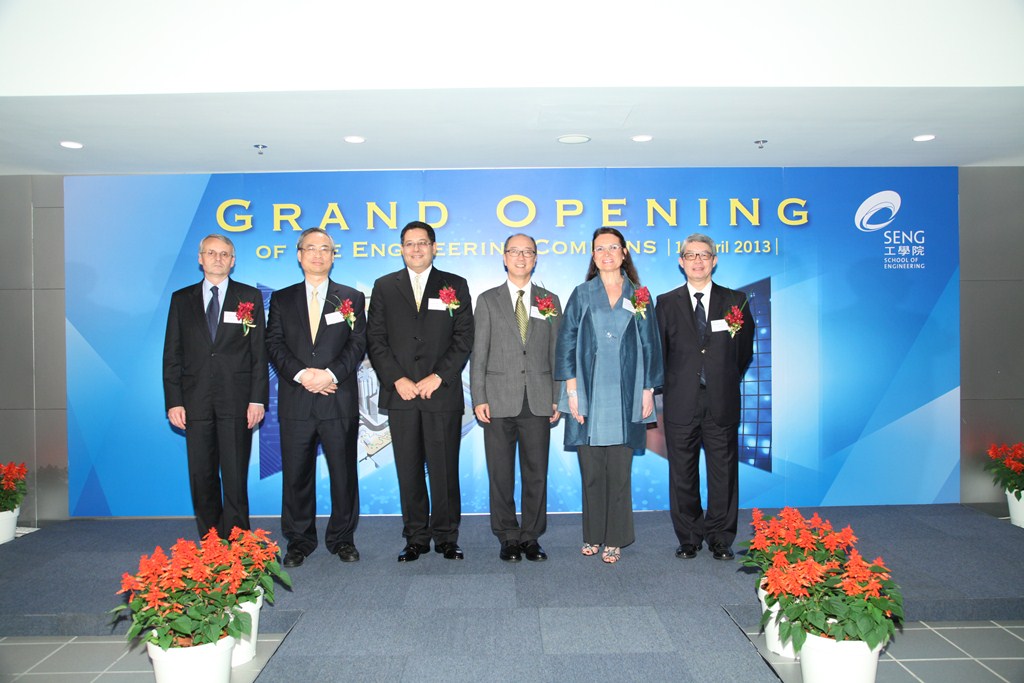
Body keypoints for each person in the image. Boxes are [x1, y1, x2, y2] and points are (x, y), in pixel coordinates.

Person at [554, 227, 663, 564]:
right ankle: (593, 535)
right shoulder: (582, 293)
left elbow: (651, 343)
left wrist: (648, 390)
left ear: (624, 252)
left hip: (628, 390)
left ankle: (615, 538)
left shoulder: (640, 294)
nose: (606, 254)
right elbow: (566, 343)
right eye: (599, 248)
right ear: (592, 254)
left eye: (613, 247)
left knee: (619, 472)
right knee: (592, 471)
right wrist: (570, 390)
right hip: (587, 390)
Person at [367, 221, 474, 562]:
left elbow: (464, 338)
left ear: (434, 247)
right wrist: (397, 379)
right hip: (401, 395)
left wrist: (438, 377)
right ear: (401, 249)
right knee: (409, 468)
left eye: (423, 243)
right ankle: (416, 536)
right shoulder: (384, 286)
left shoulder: (454, 285)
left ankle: (445, 536)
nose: (416, 249)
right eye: (409, 244)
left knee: (444, 468)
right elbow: (375, 339)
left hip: (440, 393)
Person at [266, 228, 367, 566]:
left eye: (326, 249)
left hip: (338, 399)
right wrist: (304, 375)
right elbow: (274, 344)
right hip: (297, 400)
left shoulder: (351, 297)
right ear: (299, 254)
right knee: (296, 475)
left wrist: (329, 375)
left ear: (333, 255)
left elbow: (358, 345)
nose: (318, 254)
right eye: (311, 248)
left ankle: (342, 538)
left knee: (343, 473)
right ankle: (299, 540)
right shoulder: (282, 299)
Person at [163, 234, 269, 538]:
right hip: (194, 402)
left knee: (235, 476)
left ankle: (238, 542)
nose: (218, 258)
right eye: (211, 253)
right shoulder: (181, 300)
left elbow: (258, 355)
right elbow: (173, 354)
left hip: (237, 402)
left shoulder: (249, 298)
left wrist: (257, 400)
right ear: (200, 258)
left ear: (233, 261)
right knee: (202, 474)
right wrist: (174, 401)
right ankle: (211, 541)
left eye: (225, 254)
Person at [656, 233, 754, 562]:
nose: (698, 261)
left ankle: (720, 538)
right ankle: (689, 536)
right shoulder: (665, 302)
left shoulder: (736, 301)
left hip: (721, 400)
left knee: (723, 472)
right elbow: (661, 353)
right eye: (691, 255)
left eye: (704, 255)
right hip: (681, 400)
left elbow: (743, 353)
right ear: (681, 262)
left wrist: (721, 378)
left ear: (714, 260)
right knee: (682, 473)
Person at [471, 233, 561, 563]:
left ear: (536, 258)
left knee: (536, 471)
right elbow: (478, 353)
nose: (521, 257)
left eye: (528, 252)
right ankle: (508, 535)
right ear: (504, 257)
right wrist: (478, 395)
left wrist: (557, 395)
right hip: (496, 399)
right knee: (501, 472)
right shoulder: (487, 300)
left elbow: (557, 353)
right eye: (515, 251)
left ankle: (531, 536)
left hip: (538, 399)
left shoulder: (550, 300)